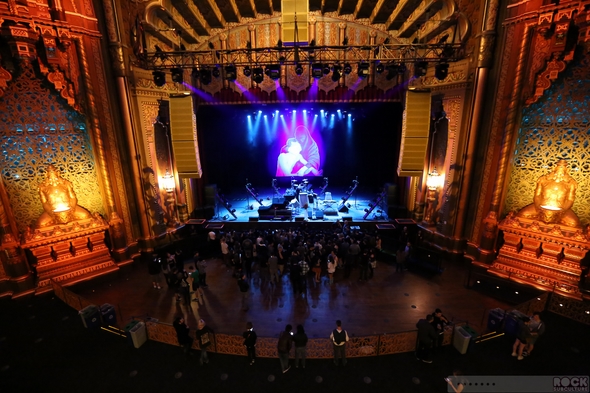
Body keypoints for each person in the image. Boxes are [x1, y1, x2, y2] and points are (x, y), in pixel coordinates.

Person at [516, 159, 581, 227]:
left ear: (567, 170)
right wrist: (538, 206)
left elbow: (570, 199)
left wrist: (563, 210)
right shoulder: (543, 179)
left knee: (573, 223)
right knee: (523, 214)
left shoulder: (571, 183)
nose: (559, 174)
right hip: (540, 207)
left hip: (560, 210)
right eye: (558, 168)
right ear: (553, 168)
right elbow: (537, 195)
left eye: (562, 171)